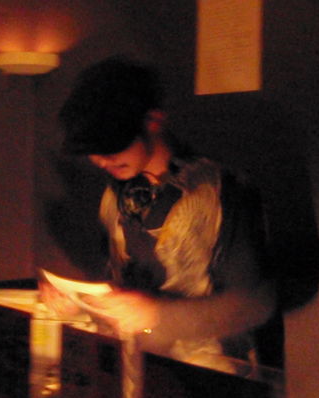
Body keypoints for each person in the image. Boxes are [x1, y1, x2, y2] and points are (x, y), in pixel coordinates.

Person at [46, 55, 287, 370]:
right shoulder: (116, 194)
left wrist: (158, 315)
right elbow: (121, 288)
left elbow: (255, 303)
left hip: (211, 376)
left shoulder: (220, 191)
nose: (101, 160)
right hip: (136, 369)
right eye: (93, 151)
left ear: (153, 121)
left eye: (111, 146)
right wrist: (81, 305)